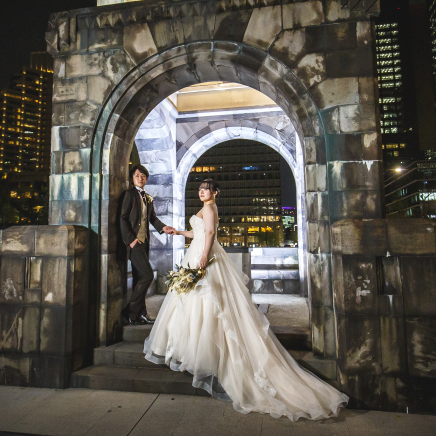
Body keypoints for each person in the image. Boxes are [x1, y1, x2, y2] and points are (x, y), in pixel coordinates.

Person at [144, 178, 348, 421]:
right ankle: (200, 350)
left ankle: (211, 354)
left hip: (203, 257)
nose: (202, 192)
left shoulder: (210, 208)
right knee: (196, 303)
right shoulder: (205, 208)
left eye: (206, 189)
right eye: (200, 189)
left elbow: (209, 233)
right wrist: (177, 231)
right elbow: (198, 232)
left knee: (211, 303)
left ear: (215, 193)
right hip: (198, 252)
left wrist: (203, 258)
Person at [119, 164, 174, 325]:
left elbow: (152, 218)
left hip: (145, 243)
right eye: (137, 175)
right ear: (132, 178)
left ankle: (140, 314)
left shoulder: (148, 197)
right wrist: (131, 240)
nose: (140, 178)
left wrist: (163, 227)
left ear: (146, 179)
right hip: (134, 243)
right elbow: (122, 218)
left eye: (143, 176)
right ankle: (130, 311)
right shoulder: (129, 195)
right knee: (147, 275)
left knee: (139, 278)